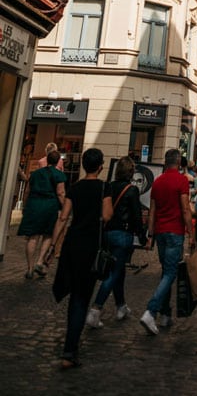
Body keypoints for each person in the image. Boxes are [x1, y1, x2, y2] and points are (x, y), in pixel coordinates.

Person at [51, 147, 111, 370]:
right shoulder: (104, 187)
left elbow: (64, 217)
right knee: (81, 297)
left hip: (71, 245)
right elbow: (106, 216)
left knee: (73, 294)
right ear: (101, 166)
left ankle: (70, 345)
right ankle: (70, 350)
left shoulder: (74, 188)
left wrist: (52, 248)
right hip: (90, 247)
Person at [85, 155, 147, 328]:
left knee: (117, 271)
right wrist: (142, 236)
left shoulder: (109, 187)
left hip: (107, 233)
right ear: (131, 172)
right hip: (123, 235)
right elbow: (136, 215)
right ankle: (96, 309)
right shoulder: (132, 190)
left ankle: (121, 306)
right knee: (114, 273)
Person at [139, 147, 192, 336]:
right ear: (178, 163)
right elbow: (186, 209)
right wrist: (191, 233)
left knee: (166, 272)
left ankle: (165, 313)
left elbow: (151, 211)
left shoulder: (158, 182)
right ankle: (151, 311)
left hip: (160, 232)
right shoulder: (181, 181)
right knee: (170, 273)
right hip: (175, 232)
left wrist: (150, 235)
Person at [18, 148, 66, 279]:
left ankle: (29, 268)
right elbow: (60, 193)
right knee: (47, 234)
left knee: (32, 237)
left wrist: (25, 205)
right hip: (49, 206)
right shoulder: (59, 175)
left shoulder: (35, 174)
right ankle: (40, 261)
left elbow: (27, 191)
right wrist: (65, 206)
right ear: (57, 162)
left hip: (34, 205)